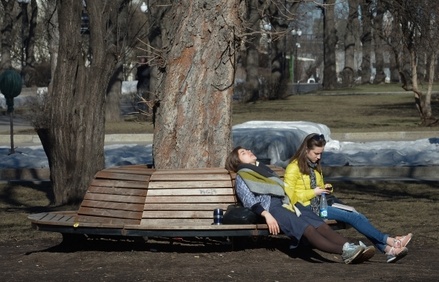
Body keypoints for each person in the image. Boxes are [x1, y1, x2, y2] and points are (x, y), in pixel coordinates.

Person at [225, 146, 372, 264]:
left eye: (247, 150)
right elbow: (249, 201)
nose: (249, 152)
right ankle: (345, 251)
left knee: (320, 225)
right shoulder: (242, 176)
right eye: (243, 153)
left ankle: (352, 248)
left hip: (288, 203)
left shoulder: (263, 170)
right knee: (307, 229)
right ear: (237, 161)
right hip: (272, 208)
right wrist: (267, 215)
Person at [283, 133, 413, 263]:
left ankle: (388, 250)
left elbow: (319, 187)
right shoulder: (293, 167)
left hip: (320, 203)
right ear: (306, 150)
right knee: (352, 217)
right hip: (306, 208)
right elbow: (290, 196)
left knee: (356, 214)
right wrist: (313, 192)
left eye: (321, 153)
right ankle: (390, 241)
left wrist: (326, 188)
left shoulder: (314, 166)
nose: (319, 157)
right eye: (316, 153)